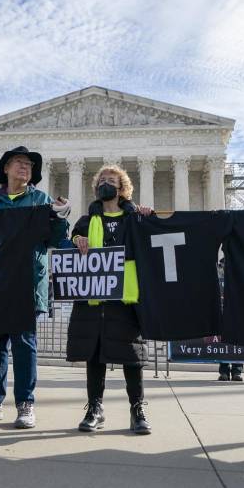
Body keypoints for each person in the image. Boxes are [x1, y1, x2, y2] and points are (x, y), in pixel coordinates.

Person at [0, 146, 70, 429]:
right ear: (6, 169)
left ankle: (25, 404)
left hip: (26, 283)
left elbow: (53, 240)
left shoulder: (40, 200)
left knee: (24, 345)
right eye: (19, 163)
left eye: (29, 165)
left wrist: (60, 217)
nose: (25, 167)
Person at [67, 164, 153, 434]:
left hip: (125, 297)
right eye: (102, 180)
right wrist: (77, 240)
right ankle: (95, 408)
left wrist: (148, 218)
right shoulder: (86, 220)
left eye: (111, 180)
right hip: (94, 296)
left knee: (131, 355)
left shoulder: (135, 219)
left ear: (122, 187)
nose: (106, 183)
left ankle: (137, 409)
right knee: (94, 355)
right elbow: (72, 242)